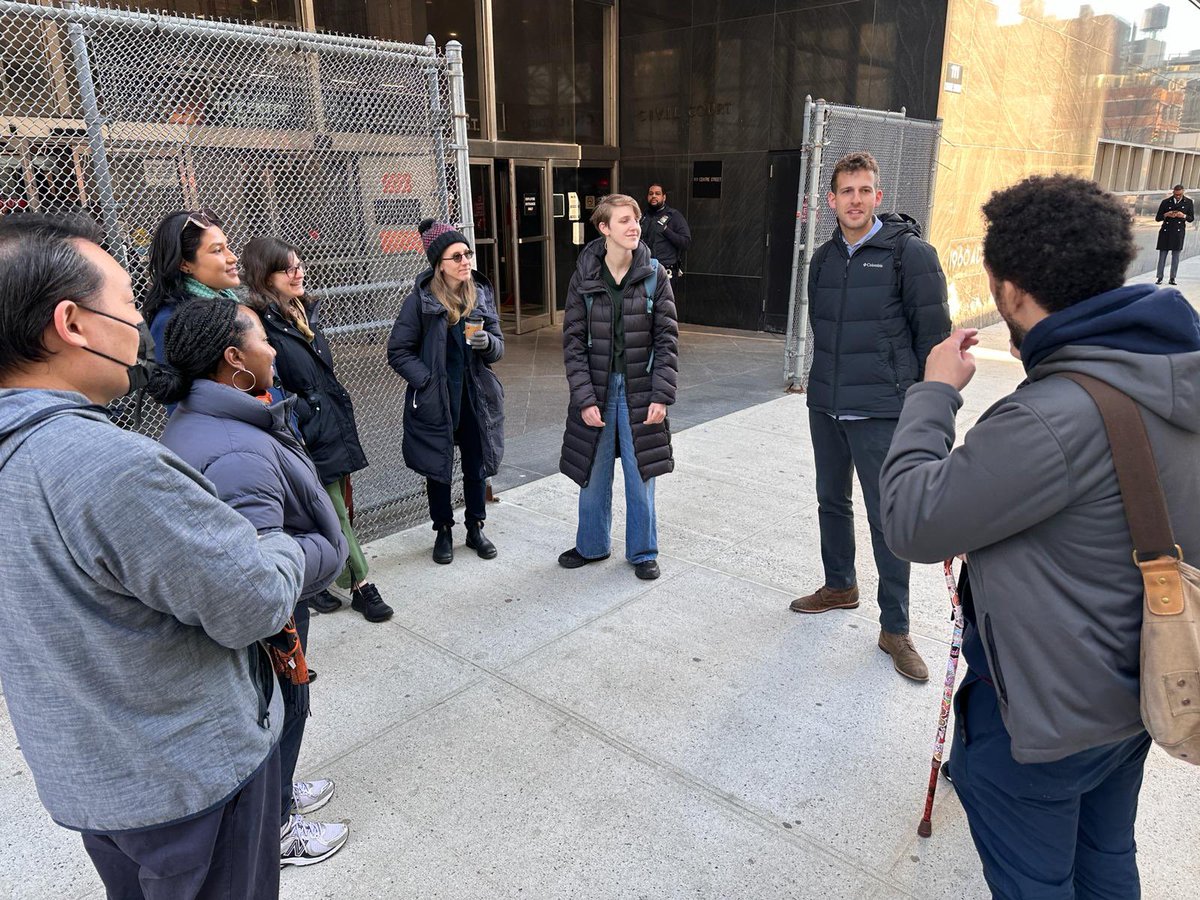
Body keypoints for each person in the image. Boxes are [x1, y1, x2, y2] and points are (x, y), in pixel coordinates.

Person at [880, 174, 1200, 897]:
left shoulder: (1050, 418)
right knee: (1108, 860)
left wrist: (933, 391)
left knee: (1037, 881)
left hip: (1043, 724)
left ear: (1014, 292)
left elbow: (910, 519)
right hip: (1139, 696)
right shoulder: (1175, 374)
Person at [0, 213, 306, 898]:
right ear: (72, 323)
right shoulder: (111, 467)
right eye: (129, 309)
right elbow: (251, 599)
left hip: (93, 779)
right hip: (185, 785)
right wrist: (279, 542)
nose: (139, 328)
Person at [149, 297, 352, 868]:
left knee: (289, 709)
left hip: (279, 606)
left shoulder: (216, 418)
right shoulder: (235, 450)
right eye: (262, 337)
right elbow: (259, 578)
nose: (272, 348)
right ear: (234, 359)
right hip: (275, 620)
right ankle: (278, 826)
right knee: (285, 708)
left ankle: (282, 794)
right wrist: (330, 546)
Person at [789, 150, 951, 682]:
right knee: (830, 501)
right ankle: (840, 586)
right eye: (846, 192)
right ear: (830, 200)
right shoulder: (824, 260)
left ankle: (896, 627)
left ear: (878, 197)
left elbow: (934, 342)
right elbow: (823, 330)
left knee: (887, 518)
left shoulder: (911, 255)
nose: (855, 201)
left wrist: (930, 414)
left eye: (864, 191)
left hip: (882, 409)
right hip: (826, 404)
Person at [243, 236, 393, 623]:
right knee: (332, 510)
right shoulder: (260, 324)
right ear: (266, 277)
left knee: (339, 503)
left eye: (299, 265)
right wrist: (299, 421)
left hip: (329, 421)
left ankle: (321, 578)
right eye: (288, 268)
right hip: (304, 429)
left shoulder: (302, 312)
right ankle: (360, 584)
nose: (299, 273)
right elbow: (271, 383)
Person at [558, 194, 679, 581]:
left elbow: (667, 340)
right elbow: (573, 341)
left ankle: (643, 552)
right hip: (597, 386)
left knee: (641, 473)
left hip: (641, 388)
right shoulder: (585, 276)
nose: (634, 227)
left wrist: (662, 394)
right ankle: (591, 545)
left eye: (637, 219)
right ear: (604, 228)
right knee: (592, 473)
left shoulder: (654, 274)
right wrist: (584, 398)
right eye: (624, 220)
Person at [387, 219, 505, 564]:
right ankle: (443, 530)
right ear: (439, 264)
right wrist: (426, 381)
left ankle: (475, 528)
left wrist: (488, 344)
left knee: (475, 465)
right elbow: (398, 351)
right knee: (438, 469)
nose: (465, 261)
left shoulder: (480, 293)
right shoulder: (420, 302)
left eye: (467, 254)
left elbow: (499, 348)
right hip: (437, 398)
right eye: (456, 256)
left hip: (475, 396)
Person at [142, 209, 241, 358]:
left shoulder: (226, 303)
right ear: (184, 265)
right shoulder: (172, 322)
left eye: (227, 247)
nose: (233, 257)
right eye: (218, 250)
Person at [639, 183, 691, 283]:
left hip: (666, 271)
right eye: (651, 193)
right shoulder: (643, 216)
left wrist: (666, 231)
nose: (653, 196)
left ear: (664, 197)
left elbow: (686, 243)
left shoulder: (674, 215)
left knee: (665, 299)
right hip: (644, 270)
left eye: (657, 193)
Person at [1155, 183, 1193, 285]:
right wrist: (1166, 214)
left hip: (1178, 232)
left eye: (1179, 195)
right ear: (1173, 192)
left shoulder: (1188, 202)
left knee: (1176, 256)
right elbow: (1157, 218)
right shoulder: (1166, 202)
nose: (1177, 196)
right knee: (1162, 256)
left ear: (1183, 192)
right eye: (1176, 194)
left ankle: (1172, 277)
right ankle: (1159, 277)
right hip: (1166, 232)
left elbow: (1191, 218)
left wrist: (1183, 215)